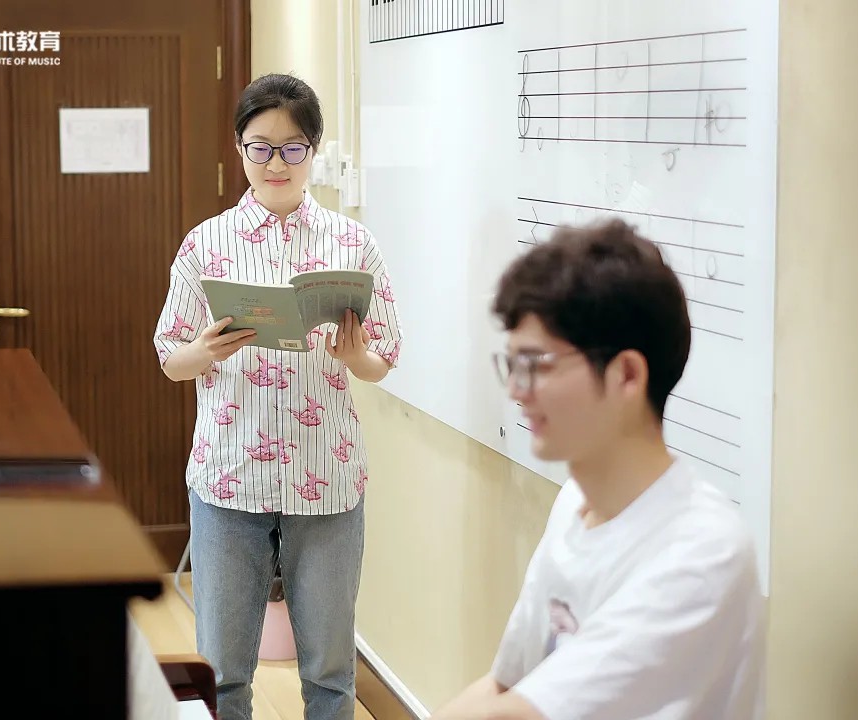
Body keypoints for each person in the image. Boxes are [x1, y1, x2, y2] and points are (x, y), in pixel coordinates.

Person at [431, 220, 764, 719]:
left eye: (538, 364)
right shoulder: (573, 503)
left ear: (626, 374)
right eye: (513, 365)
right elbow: (505, 684)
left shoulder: (704, 551)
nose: (517, 389)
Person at [153, 73, 403, 720]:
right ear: (239, 148)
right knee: (223, 674)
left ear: (313, 149)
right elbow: (171, 360)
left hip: (327, 479)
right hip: (229, 477)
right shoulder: (205, 244)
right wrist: (204, 351)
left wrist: (354, 356)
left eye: (293, 148)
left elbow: (383, 359)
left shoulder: (352, 244)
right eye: (260, 147)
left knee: (329, 673)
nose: (276, 163)